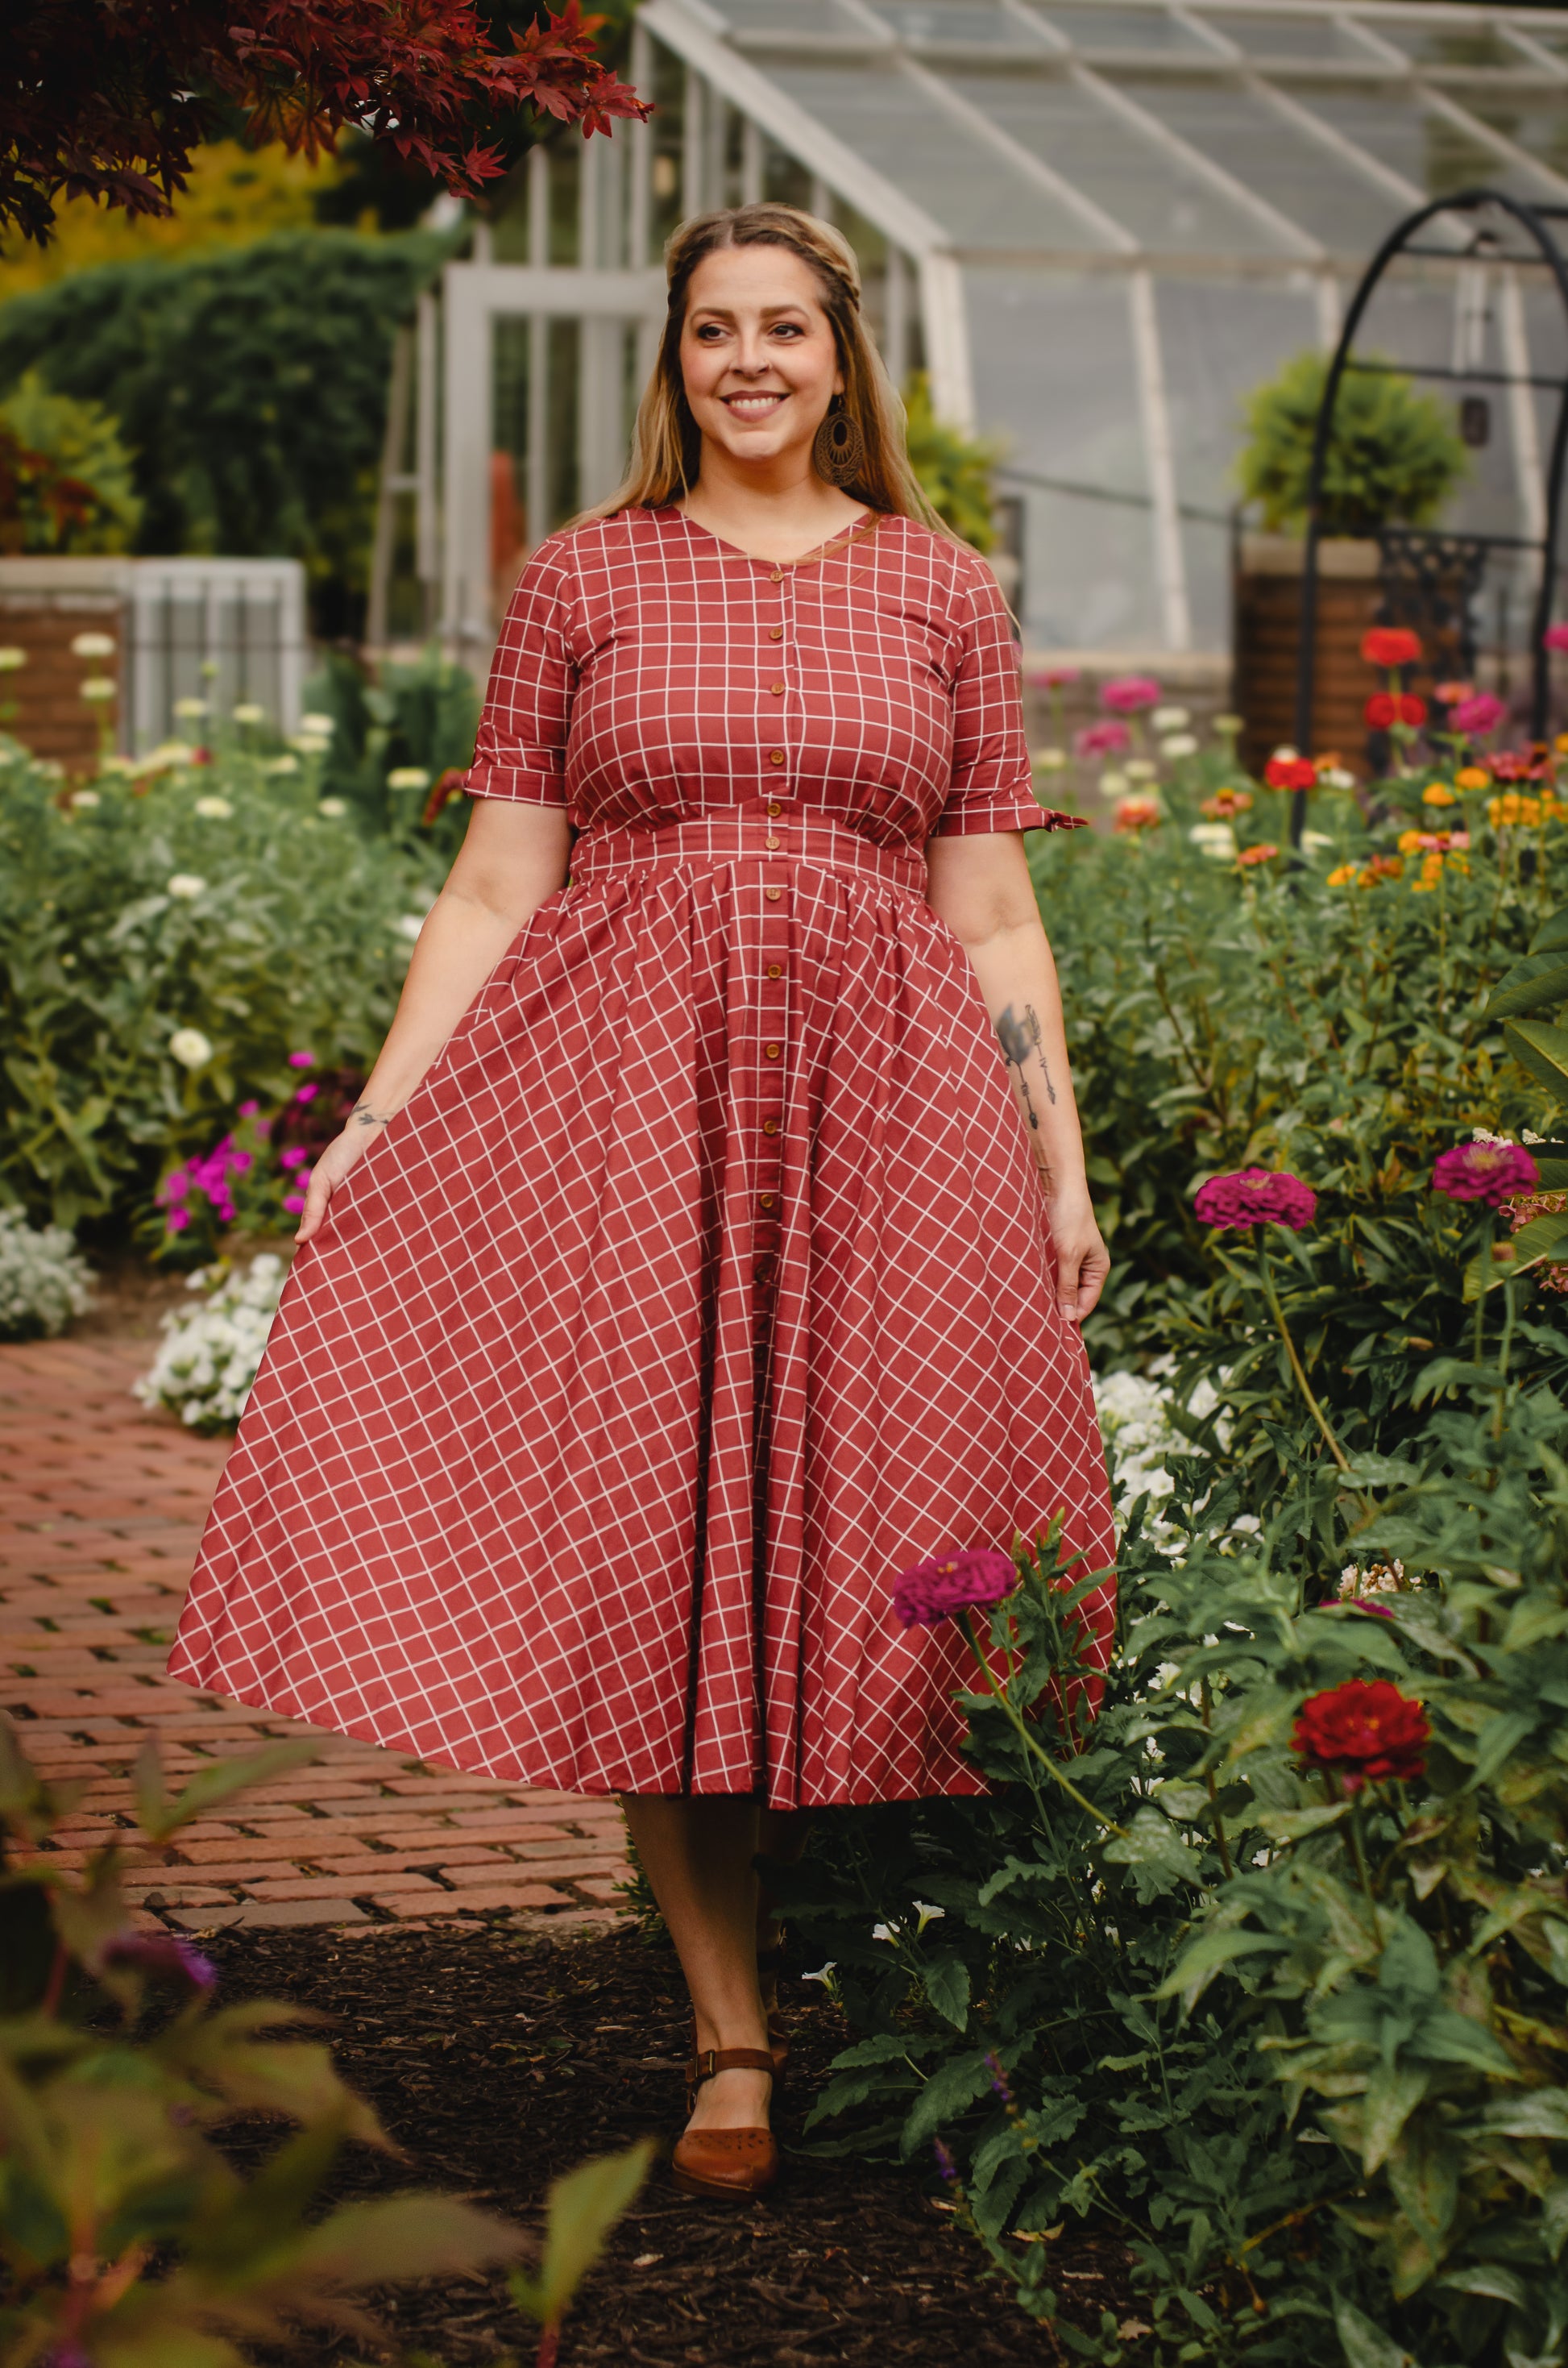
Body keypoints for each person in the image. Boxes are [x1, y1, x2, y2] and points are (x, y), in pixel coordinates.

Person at [168, 202, 1116, 2202]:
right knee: (669, 1531)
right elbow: (502, 883)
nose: (751, 362)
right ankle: (731, 2028)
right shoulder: (582, 578)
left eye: (786, 329)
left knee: (897, 1521)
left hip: (894, 1110)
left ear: (845, 360)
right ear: (672, 360)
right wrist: (373, 1116)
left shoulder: (947, 588)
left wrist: (1058, 1160)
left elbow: (996, 907)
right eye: (714, 331)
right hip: (628, 1108)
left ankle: (889, 1954)